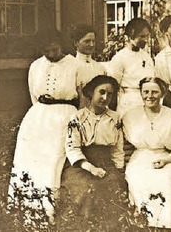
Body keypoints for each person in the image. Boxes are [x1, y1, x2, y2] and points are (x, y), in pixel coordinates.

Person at [8, 31, 79, 222]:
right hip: (38, 119)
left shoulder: (74, 64)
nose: (50, 52)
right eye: (46, 49)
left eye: (53, 48)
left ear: (61, 45)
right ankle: (25, 213)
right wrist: (42, 113)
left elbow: (82, 94)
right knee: (29, 162)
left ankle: (49, 213)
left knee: (53, 162)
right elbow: (33, 95)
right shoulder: (36, 66)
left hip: (64, 116)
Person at [61, 75, 125, 227]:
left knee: (114, 185)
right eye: (101, 92)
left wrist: (119, 169)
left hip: (105, 163)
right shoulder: (77, 117)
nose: (105, 97)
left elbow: (117, 148)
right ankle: (84, 227)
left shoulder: (115, 118)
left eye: (110, 94)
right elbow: (72, 147)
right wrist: (90, 167)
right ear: (91, 93)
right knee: (88, 188)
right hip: (80, 165)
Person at [122, 77, 171, 230]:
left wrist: (165, 161)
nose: (150, 96)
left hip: (166, 158)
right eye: (146, 92)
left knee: (167, 180)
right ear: (141, 93)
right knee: (139, 178)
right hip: (140, 158)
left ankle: (168, 226)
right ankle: (144, 225)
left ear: (162, 93)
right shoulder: (130, 116)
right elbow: (121, 145)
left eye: (155, 92)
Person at [107, 18, 155, 114]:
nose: (145, 40)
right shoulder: (120, 58)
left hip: (148, 102)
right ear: (129, 37)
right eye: (141, 36)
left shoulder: (146, 56)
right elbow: (112, 88)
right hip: (128, 105)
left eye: (147, 36)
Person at [68, 23, 106, 108]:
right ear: (76, 43)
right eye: (87, 41)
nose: (92, 45)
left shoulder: (100, 68)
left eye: (93, 41)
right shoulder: (70, 66)